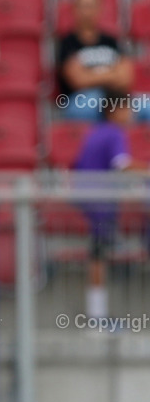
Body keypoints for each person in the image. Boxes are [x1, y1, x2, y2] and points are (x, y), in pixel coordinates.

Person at [73, 90, 137, 321]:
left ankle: (98, 315)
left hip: (88, 201)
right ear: (114, 111)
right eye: (127, 108)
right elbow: (122, 165)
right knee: (99, 256)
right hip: (100, 203)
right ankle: (97, 317)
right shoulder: (114, 133)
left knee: (99, 254)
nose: (132, 113)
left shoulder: (94, 133)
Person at [57, 0, 134, 122]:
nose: (88, 11)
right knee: (102, 107)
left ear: (100, 8)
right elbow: (78, 80)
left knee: (145, 106)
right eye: (84, 6)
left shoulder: (111, 41)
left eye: (92, 5)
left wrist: (93, 76)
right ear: (74, 9)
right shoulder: (67, 43)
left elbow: (126, 77)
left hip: (116, 97)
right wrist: (111, 75)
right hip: (82, 101)